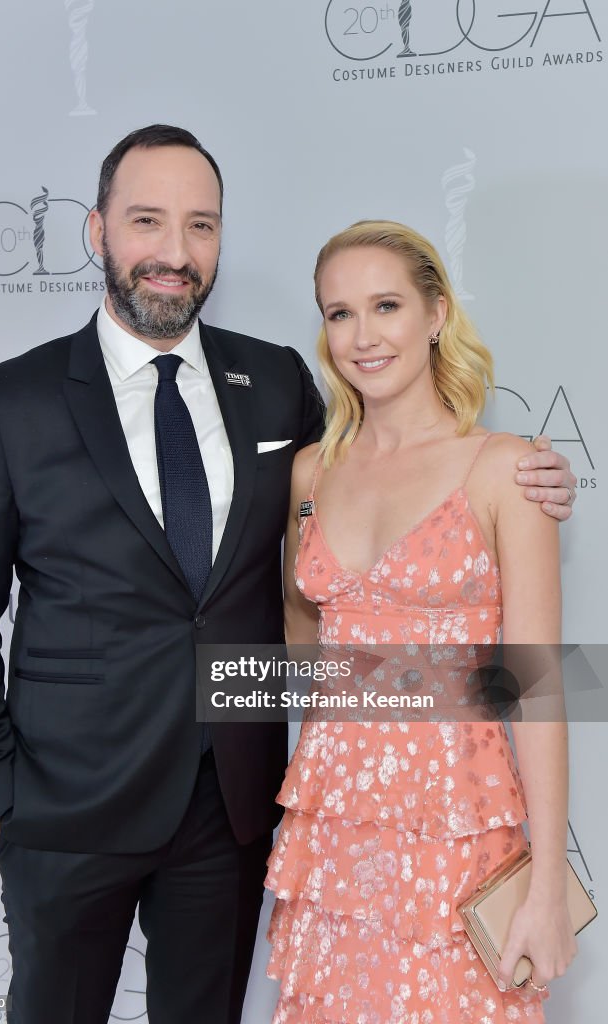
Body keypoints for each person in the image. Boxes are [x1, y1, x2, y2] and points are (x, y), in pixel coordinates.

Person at [0, 125, 573, 1024]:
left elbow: (369, 567)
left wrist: (535, 475)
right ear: (95, 230)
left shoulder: (271, 386)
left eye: (201, 225)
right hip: (64, 816)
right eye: (146, 220)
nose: (173, 251)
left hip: (230, 817)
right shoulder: (11, 401)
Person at [265, 221, 576, 1023]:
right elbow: (309, 661)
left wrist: (545, 886)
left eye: (385, 305)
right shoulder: (309, 471)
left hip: (454, 832)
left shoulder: (504, 468)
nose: (361, 336)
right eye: (338, 313)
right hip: (333, 835)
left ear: (436, 312)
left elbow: (537, 688)